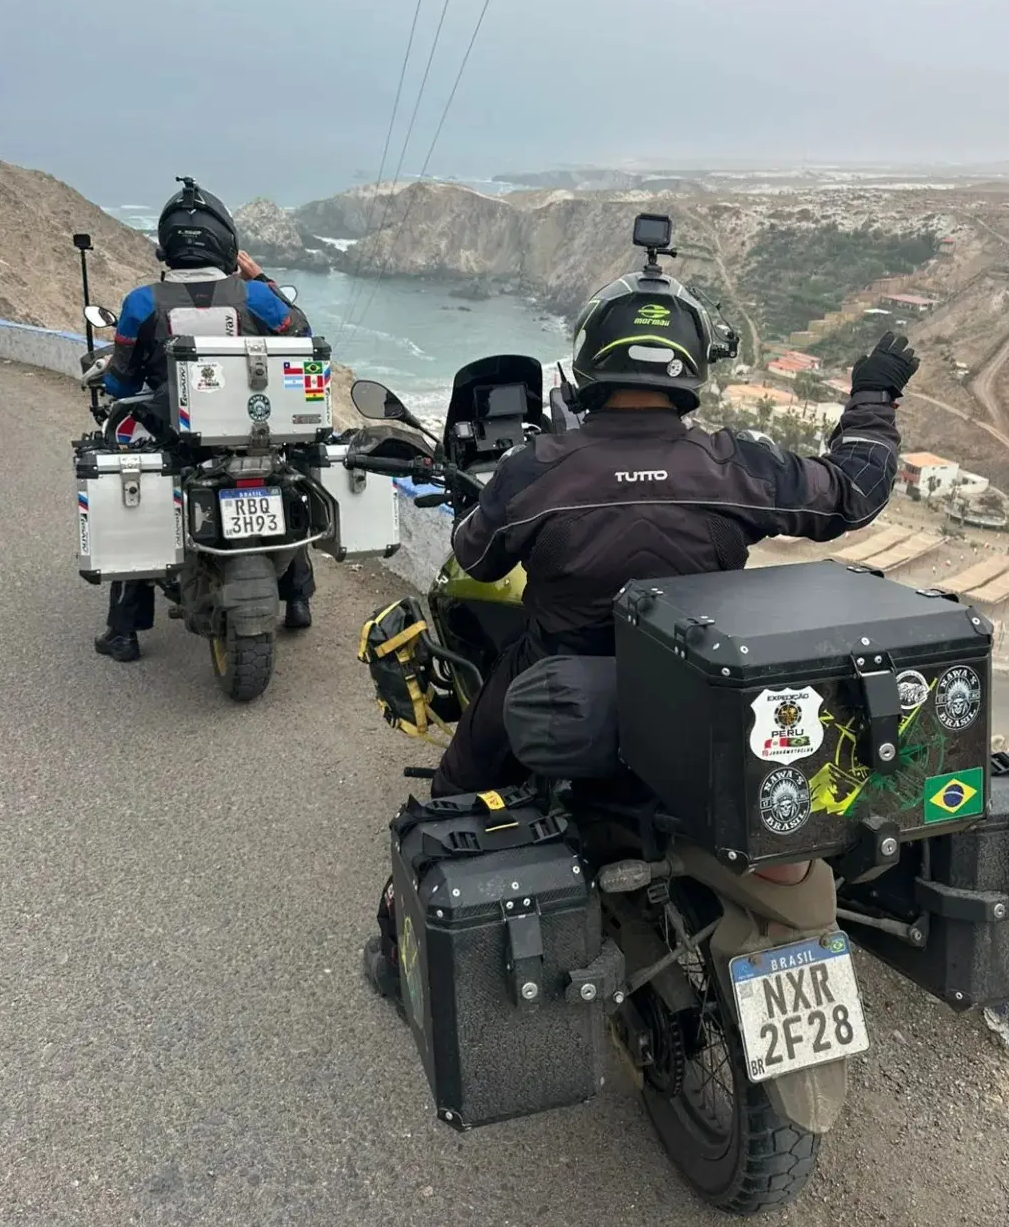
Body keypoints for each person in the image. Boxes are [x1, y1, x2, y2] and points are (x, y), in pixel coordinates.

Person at [363, 264, 919, 1007]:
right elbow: (853, 492)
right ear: (688, 367)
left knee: (456, 787)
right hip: (700, 701)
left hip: (561, 684)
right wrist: (874, 399)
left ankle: (398, 945)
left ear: (591, 358)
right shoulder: (734, 463)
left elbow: (475, 556)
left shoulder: (537, 469)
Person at [94, 177, 317, 663]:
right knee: (285, 482)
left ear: (167, 246)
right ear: (227, 244)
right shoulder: (255, 298)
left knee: (140, 498)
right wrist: (262, 279)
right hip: (250, 432)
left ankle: (124, 631)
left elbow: (122, 384)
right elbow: (304, 339)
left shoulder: (141, 303)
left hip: (175, 437)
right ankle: (297, 598)